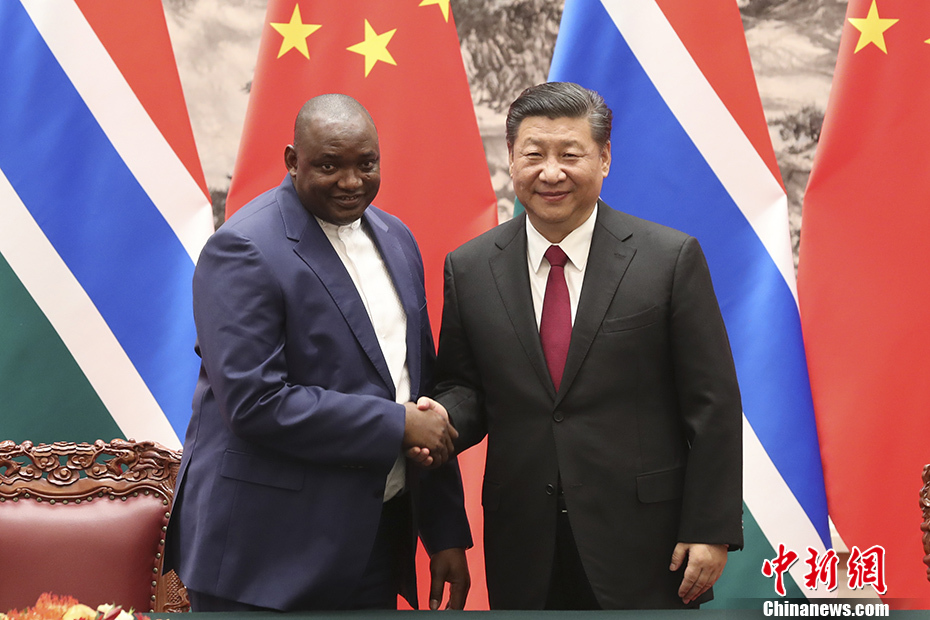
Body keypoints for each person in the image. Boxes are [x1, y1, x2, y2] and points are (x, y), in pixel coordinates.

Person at [431, 82, 743, 610]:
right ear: (510, 159)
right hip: (522, 541)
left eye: (570, 154)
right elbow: (468, 387)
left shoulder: (668, 259)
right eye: (534, 154)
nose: (551, 172)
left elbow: (712, 404)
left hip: (647, 543)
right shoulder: (469, 268)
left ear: (604, 158)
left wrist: (710, 528)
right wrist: (436, 418)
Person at [165, 94, 471, 611]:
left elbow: (417, 394)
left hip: (372, 545)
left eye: (366, 164)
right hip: (265, 557)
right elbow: (255, 403)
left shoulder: (397, 238)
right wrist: (395, 424)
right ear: (292, 160)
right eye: (329, 165)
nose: (351, 181)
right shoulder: (243, 248)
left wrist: (443, 530)